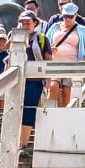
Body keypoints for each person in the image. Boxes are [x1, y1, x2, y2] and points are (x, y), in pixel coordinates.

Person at [15, 10, 52, 157]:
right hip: (16, 81)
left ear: (35, 23)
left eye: (28, 22)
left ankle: (23, 144)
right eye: (22, 22)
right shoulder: (14, 37)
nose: (25, 25)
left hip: (34, 81)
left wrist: (47, 79)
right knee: (13, 110)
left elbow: (48, 60)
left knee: (28, 112)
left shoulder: (42, 38)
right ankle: (9, 141)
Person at [46, 3, 85, 108]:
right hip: (54, 63)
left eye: (70, 16)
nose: (67, 19)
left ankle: (62, 118)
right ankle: (48, 114)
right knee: (53, 87)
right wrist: (49, 49)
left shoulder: (82, 29)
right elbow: (45, 43)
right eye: (65, 16)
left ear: (76, 15)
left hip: (72, 65)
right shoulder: (54, 27)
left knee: (66, 93)